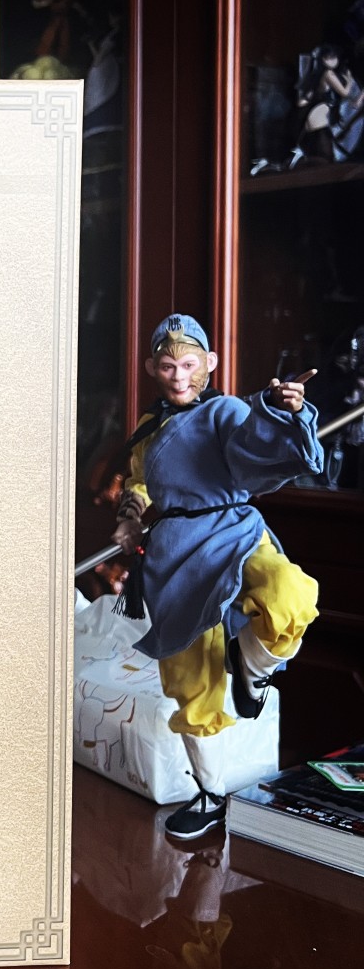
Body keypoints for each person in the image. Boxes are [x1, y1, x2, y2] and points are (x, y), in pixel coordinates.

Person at [112, 314, 322, 839]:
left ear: (209, 363)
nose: (179, 377)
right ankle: (210, 794)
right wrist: (130, 515)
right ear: (152, 368)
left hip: (233, 530)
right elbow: (138, 483)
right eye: (168, 366)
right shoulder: (150, 428)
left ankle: (250, 665)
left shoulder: (227, 411)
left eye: (188, 364)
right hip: (175, 552)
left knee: (289, 595)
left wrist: (284, 410)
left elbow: (255, 445)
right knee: (192, 679)